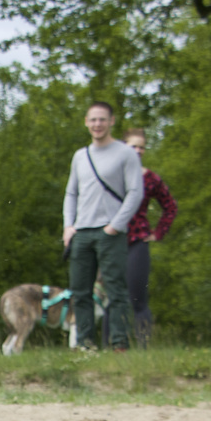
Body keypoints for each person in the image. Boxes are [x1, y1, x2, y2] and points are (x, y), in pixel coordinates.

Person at [63, 101, 143, 351]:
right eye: (93, 120)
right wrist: (69, 226)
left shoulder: (125, 153)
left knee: (115, 288)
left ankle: (119, 343)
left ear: (111, 121)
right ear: (86, 122)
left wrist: (115, 225)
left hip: (110, 232)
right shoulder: (80, 156)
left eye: (102, 119)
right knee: (80, 291)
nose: (97, 124)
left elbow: (135, 192)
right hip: (82, 233)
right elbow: (71, 193)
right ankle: (85, 345)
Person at [121, 127, 176, 345]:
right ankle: (111, 348)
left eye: (142, 147)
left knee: (138, 299)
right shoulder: (113, 175)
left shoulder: (150, 178)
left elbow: (170, 206)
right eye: (133, 146)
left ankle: (144, 348)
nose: (138, 150)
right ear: (123, 148)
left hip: (137, 241)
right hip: (112, 241)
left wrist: (158, 233)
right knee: (112, 299)